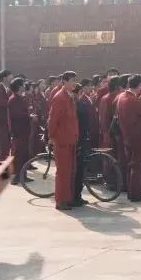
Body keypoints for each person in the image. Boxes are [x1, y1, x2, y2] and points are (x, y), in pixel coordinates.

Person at [115, 74, 141, 202]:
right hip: (137, 136)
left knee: (131, 165)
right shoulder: (133, 100)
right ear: (140, 85)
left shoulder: (122, 97)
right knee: (137, 166)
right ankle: (136, 192)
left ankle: (131, 190)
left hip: (127, 136)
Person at [47, 71, 79, 210]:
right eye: (72, 80)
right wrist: (51, 137)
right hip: (62, 140)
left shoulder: (69, 96)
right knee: (63, 171)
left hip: (70, 139)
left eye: (75, 80)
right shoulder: (60, 97)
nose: (74, 83)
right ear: (64, 82)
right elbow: (53, 119)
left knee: (70, 170)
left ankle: (67, 198)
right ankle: (61, 200)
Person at [74, 78, 97, 206]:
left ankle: (77, 195)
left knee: (80, 169)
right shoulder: (79, 104)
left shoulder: (77, 103)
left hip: (81, 138)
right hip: (79, 139)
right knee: (78, 170)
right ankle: (76, 196)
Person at [7, 77, 32, 186]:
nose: (24, 86)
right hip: (18, 130)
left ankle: (23, 175)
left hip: (24, 130)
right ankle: (16, 176)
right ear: (18, 87)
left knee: (24, 153)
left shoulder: (20, 98)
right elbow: (16, 115)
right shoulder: (13, 99)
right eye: (22, 85)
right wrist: (29, 115)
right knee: (18, 154)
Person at [0, 69, 12, 160]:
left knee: (8, 144)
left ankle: (6, 165)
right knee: (3, 145)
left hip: (9, 120)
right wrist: (13, 101)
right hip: (1, 120)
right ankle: (1, 166)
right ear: (4, 78)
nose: (12, 77)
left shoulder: (10, 89)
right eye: (10, 76)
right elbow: (2, 102)